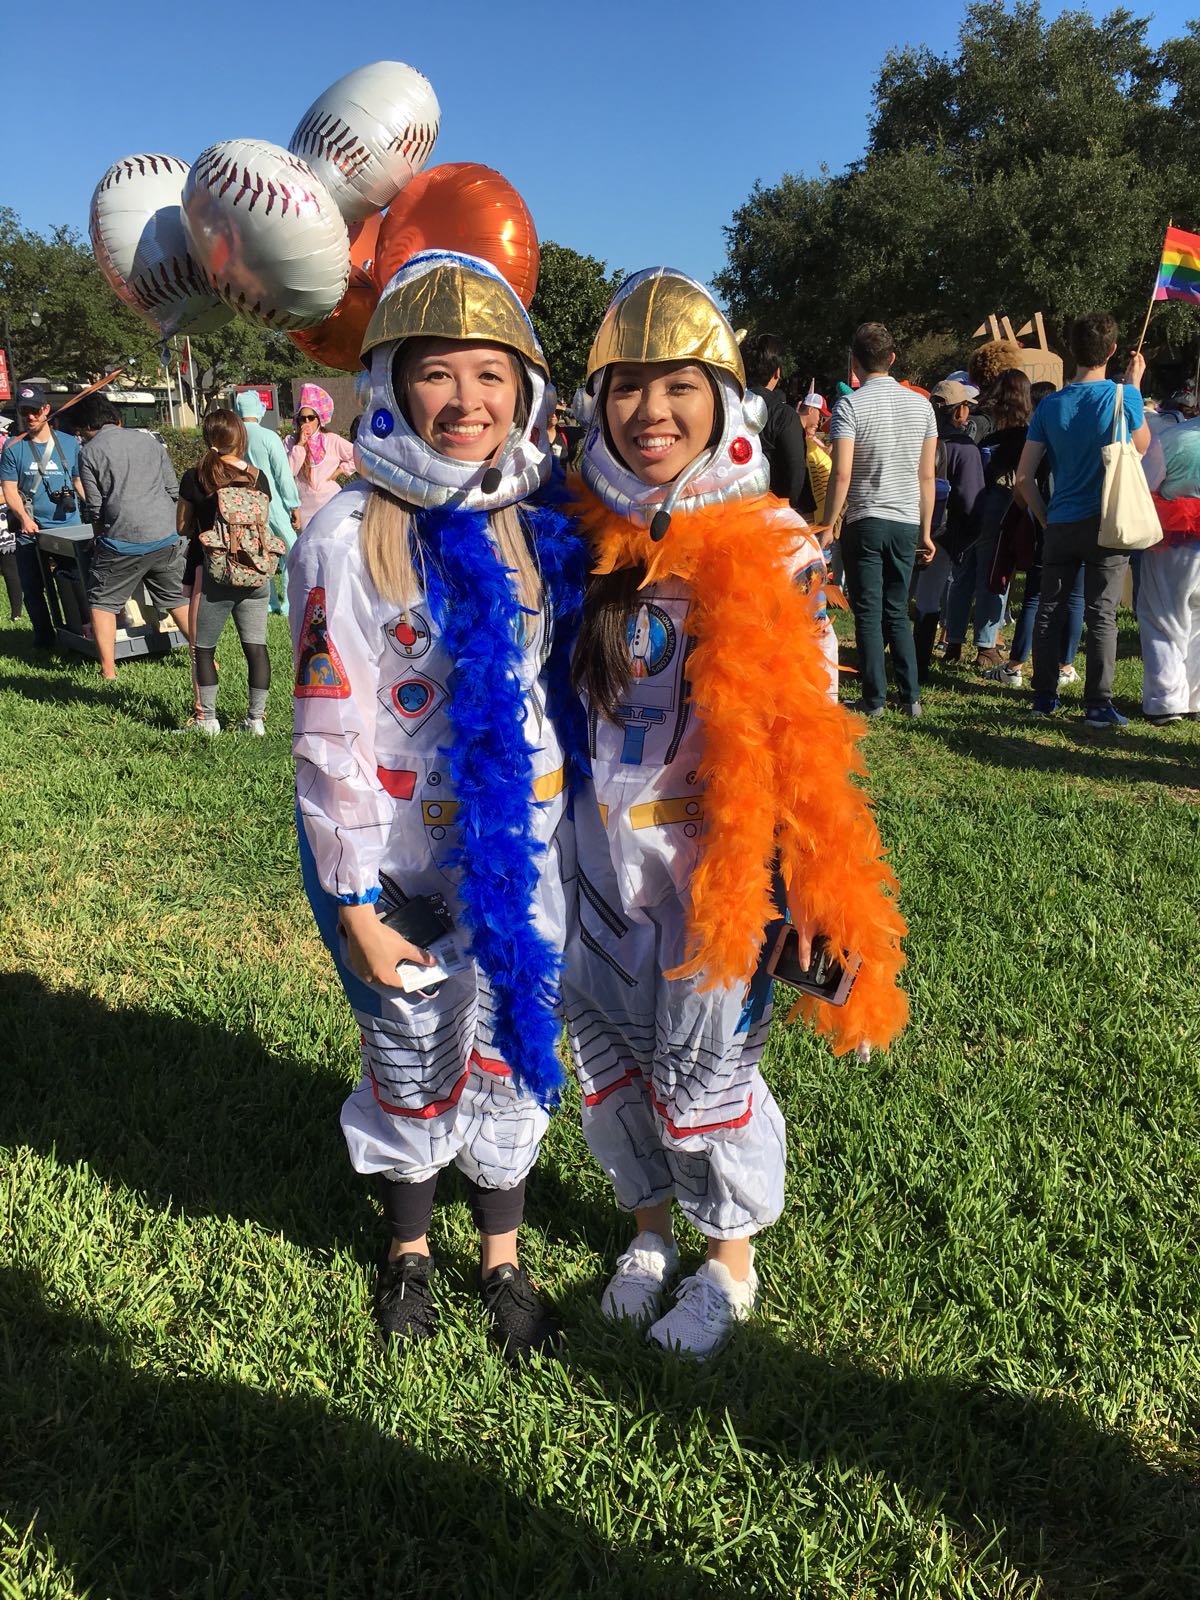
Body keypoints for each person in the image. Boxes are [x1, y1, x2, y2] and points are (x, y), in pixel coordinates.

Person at [564, 268, 908, 1359]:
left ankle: (730, 1263)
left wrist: (811, 881)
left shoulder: (779, 542)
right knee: (612, 1059)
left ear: (722, 398)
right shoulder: (574, 527)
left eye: (678, 387)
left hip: (715, 869)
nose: (651, 413)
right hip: (592, 855)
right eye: (627, 388)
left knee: (706, 1072)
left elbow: (808, 739)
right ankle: (649, 1234)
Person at [290, 250, 587, 1360]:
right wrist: (359, 900)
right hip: (396, 864)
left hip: (529, 856)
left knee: (513, 1042)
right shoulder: (345, 530)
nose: (468, 403)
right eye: (439, 376)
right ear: (392, 384)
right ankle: (410, 1248)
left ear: (527, 391)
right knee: (413, 1055)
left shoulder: (534, 522)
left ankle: (502, 1256)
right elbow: (329, 735)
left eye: (491, 377)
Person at [1016, 313, 1149, 724]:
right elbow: (1141, 448)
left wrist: (1045, 518)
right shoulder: (1123, 397)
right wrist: (1137, 385)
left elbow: (1023, 476)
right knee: (1102, 614)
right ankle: (1097, 704)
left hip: (1061, 521)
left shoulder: (1050, 404)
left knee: (1050, 609)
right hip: (1108, 521)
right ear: (1111, 351)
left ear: (1070, 350)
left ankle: (1043, 698)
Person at [823, 323, 937, 717]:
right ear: (892, 358)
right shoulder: (923, 406)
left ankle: (874, 699)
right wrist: (926, 529)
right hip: (906, 520)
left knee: (867, 612)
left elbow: (841, 474)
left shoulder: (849, 406)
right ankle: (912, 696)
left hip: (865, 518)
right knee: (896, 609)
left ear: (854, 362)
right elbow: (927, 475)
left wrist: (828, 522)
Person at [73, 396, 192, 680]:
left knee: (102, 602)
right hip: (166, 534)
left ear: (87, 426)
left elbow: (95, 506)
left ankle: (108, 671)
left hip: (122, 540)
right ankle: (206, 659)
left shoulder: (89, 452)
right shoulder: (150, 441)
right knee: (176, 598)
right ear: (117, 419)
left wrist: (98, 536)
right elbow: (172, 488)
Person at [177, 411, 279, 735]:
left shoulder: (196, 477)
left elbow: (180, 526)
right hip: (255, 573)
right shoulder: (257, 477)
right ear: (241, 437)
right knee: (256, 647)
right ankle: (256, 720)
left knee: (203, 648)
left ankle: (206, 720)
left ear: (208, 437)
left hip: (214, 574)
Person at [0, 382, 85, 649]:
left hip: (69, 528)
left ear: (46, 409)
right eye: (24, 411)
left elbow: (79, 481)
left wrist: (94, 507)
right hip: (30, 530)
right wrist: (25, 519)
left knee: (74, 583)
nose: (30, 416)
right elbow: (10, 490)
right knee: (32, 587)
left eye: (35, 410)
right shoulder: (14, 448)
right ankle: (44, 638)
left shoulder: (70, 443)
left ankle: (81, 632)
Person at [913, 383, 985, 680]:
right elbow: (971, 500)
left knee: (900, 594)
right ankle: (917, 665)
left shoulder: (916, 438)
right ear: (960, 410)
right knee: (929, 599)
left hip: (905, 525)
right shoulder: (965, 450)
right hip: (941, 533)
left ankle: (884, 656)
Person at [1138, 414, 1200, 722]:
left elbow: (1145, 486)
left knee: (1163, 617)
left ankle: (1166, 700)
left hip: (1174, 542)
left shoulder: (1173, 438)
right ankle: (1195, 699)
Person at [234, 390, 302, 616]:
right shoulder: (268, 436)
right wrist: (294, 504)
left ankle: (269, 601)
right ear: (259, 409)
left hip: (244, 504)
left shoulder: (233, 437)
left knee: (258, 553)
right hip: (272, 503)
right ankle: (288, 604)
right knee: (292, 551)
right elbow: (283, 474)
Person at [742, 332, 812, 514]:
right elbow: (795, 471)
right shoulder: (783, 415)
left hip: (733, 509)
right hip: (774, 511)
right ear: (777, 372)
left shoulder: (728, 409)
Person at [286, 384, 356, 531]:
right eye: (302, 419)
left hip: (330, 504)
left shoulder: (331, 440)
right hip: (304, 508)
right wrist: (299, 445)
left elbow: (357, 455)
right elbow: (288, 472)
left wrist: (339, 471)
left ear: (318, 419)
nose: (306, 423)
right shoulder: (290, 441)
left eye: (310, 418)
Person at [797, 391, 832, 520]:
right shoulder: (796, 435)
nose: (820, 420)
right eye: (820, 414)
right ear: (811, 410)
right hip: (805, 512)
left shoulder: (808, 438)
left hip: (815, 512)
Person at [0, 416, 21, 624]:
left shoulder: (7, 456)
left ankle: (16, 613)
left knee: (9, 569)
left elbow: (11, 491)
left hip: (4, 521)